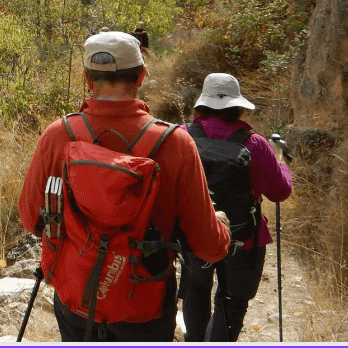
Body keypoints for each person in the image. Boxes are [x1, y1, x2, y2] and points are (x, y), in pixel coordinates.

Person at [18, 31, 231, 342]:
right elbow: (209, 246)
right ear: (142, 76)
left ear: (88, 79)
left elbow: (30, 218)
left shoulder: (59, 136)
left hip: (76, 299)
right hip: (143, 306)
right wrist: (222, 225)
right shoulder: (175, 143)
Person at [179, 72, 293, 342]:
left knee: (196, 287)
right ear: (237, 106)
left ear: (202, 104)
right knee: (231, 302)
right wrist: (282, 164)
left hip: (197, 232)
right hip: (244, 238)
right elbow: (279, 192)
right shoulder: (255, 144)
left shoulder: (183, 136)